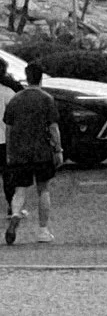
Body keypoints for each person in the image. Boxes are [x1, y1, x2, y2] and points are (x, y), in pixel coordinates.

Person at [3, 61, 62, 244]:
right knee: (43, 189)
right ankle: (43, 231)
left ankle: (14, 216)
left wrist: (9, 152)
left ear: (27, 78)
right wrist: (58, 149)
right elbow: (53, 127)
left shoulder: (16, 99)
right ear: (41, 78)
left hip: (20, 152)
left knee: (20, 189)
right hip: (42, 152)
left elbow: (9, 128)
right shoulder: (46, 99)